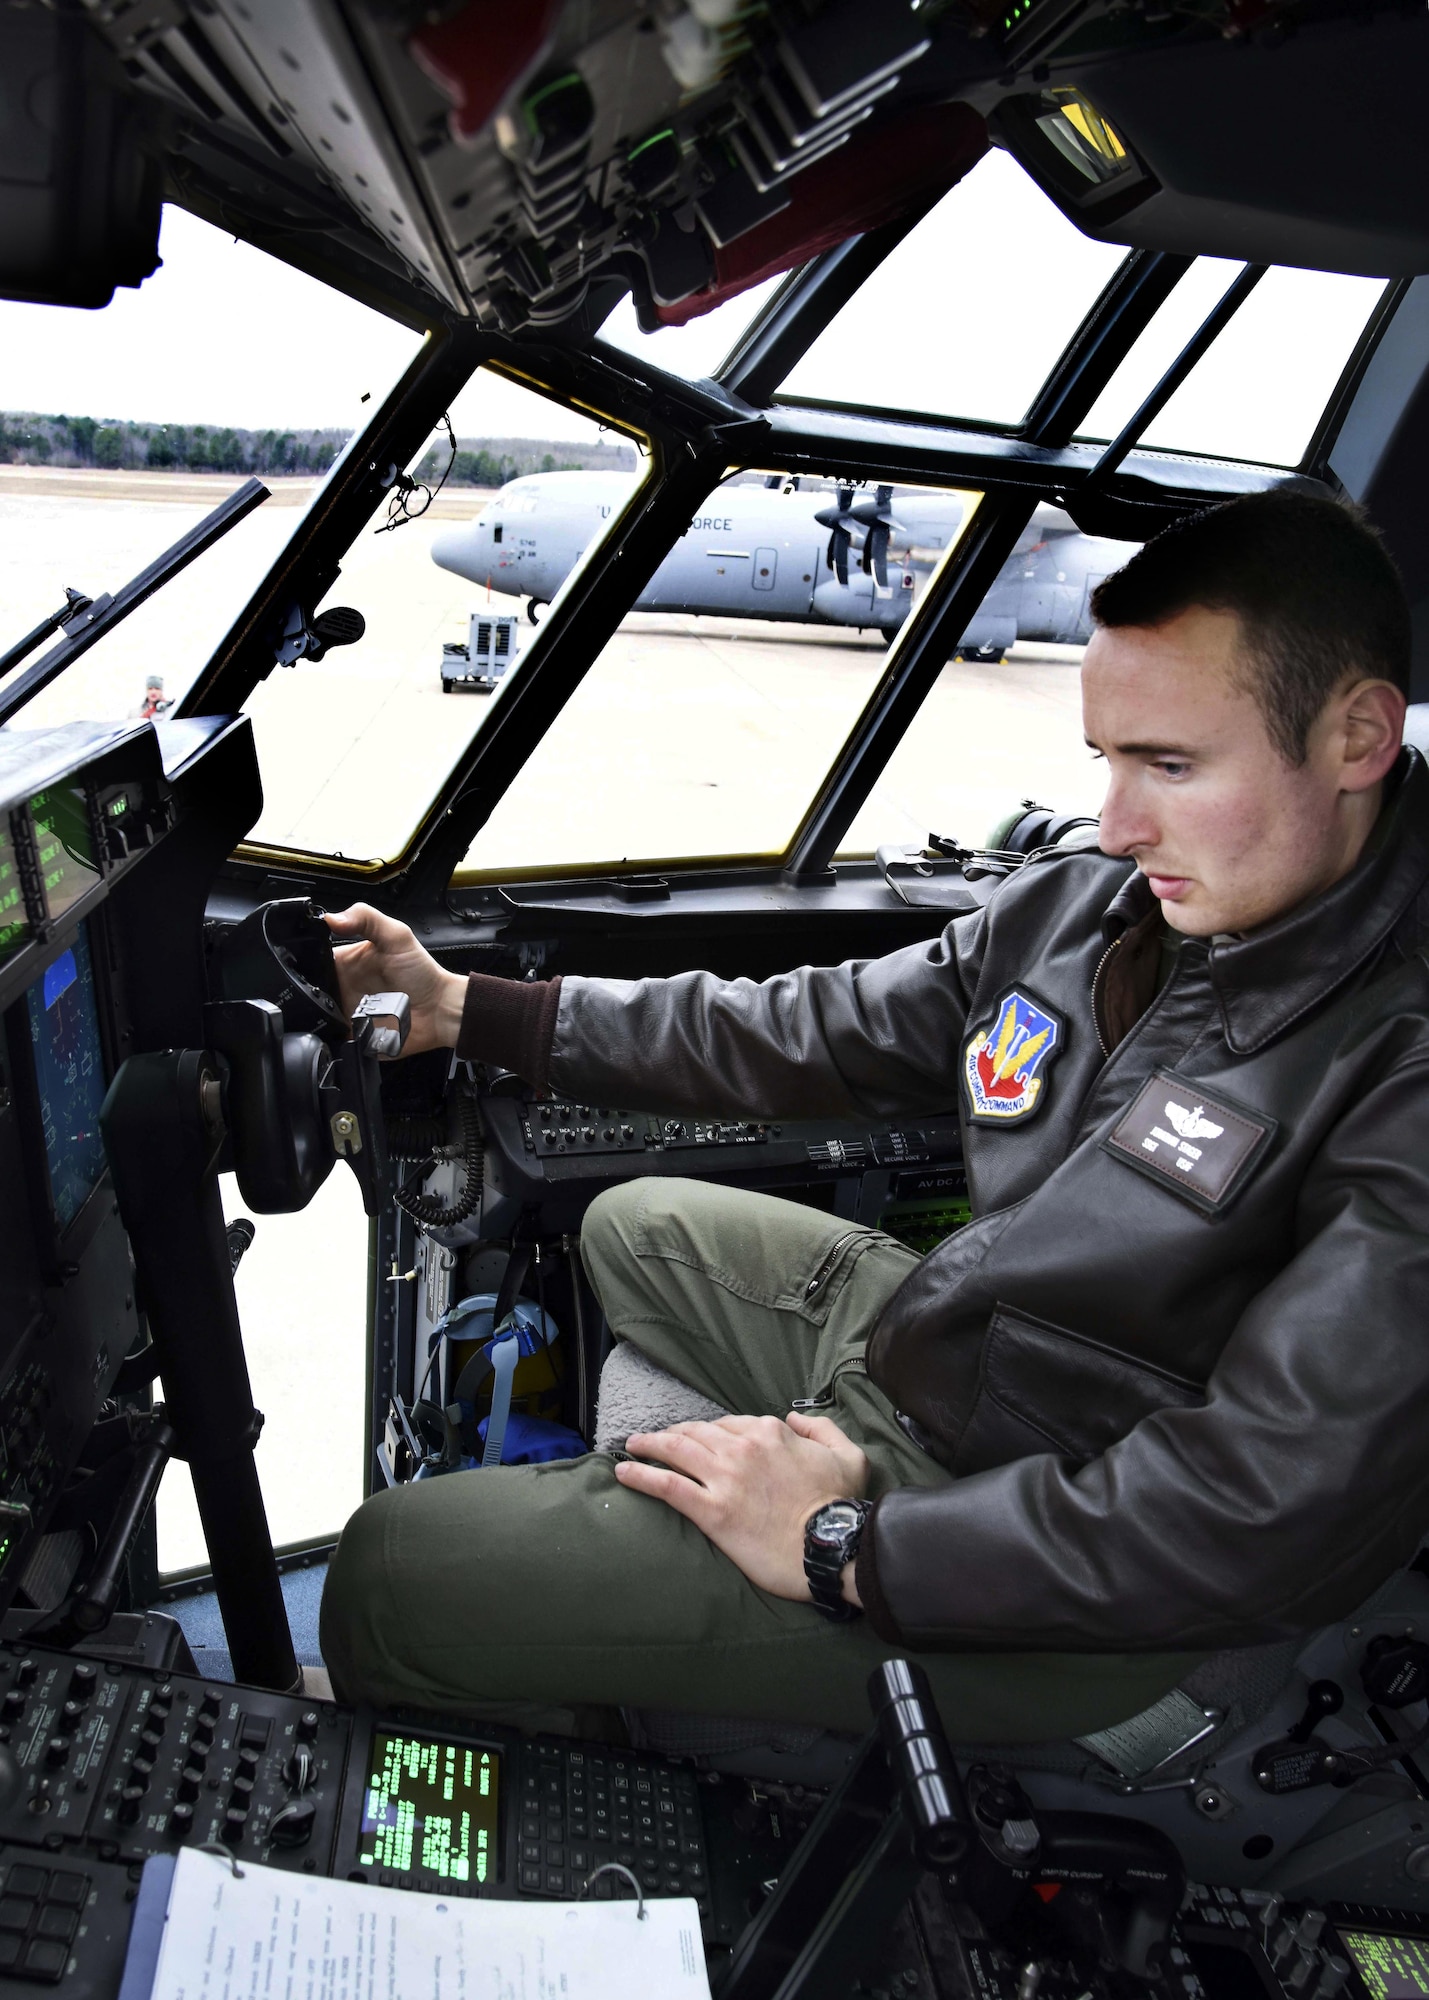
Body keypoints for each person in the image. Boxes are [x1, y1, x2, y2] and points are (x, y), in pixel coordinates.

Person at [318, 490, 1428, 1745]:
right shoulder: (1084, 911)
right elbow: (803, 1028)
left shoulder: (1400, 1061)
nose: (1118, 827)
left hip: (1093, 1568)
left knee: (390, 1578)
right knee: (631, 1224)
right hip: (978, 1353)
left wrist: (849, 1539)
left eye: (1171, 765)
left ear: (1357, 739)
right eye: (1106, 763)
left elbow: (1254, 1508)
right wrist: (471, 1009)